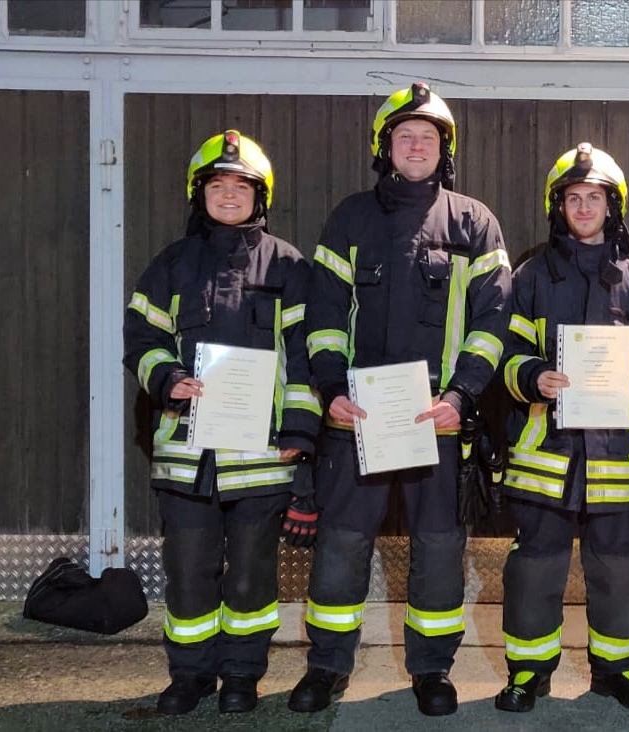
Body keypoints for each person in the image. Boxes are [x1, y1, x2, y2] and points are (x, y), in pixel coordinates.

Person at [289, 82, 512, 717]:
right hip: (355, 419)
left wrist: (462, 395)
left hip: (436, 420)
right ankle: (327, 666)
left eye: (428, 137)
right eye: (404, 136)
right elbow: (324, 316)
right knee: (342, 542)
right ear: (384, 147)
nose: (416, 146)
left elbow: (492, 322)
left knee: (438, 547)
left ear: (445, 150)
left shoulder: (474, 223)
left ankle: (432, 670)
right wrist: (332, 389)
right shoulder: (350, 218)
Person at [123, 130, 320, 715]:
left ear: (261, 197)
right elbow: (141, 339)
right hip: (188, 456)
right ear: (199, 194)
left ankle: (241, 675)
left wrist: (298, 435)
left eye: (241, 186)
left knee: (250, 579)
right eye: (217, 185)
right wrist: (166, 378)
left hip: (262, 459)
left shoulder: (290, 266)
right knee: (189, 574)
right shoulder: (171, 264)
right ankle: (189, 676)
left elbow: (306, 358)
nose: (229, 195)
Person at [493, 143, 629, 714]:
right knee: (535, 568)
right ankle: (528, 672)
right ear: (558, 206)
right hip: (544, 457)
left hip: (614, 460)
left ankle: (620, 671)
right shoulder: (531, 276)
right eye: (572, 198)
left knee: (619, 568)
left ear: (611, 206)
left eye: (594, 198)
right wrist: (532, 376)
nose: (583, 207)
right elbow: (504, 354)